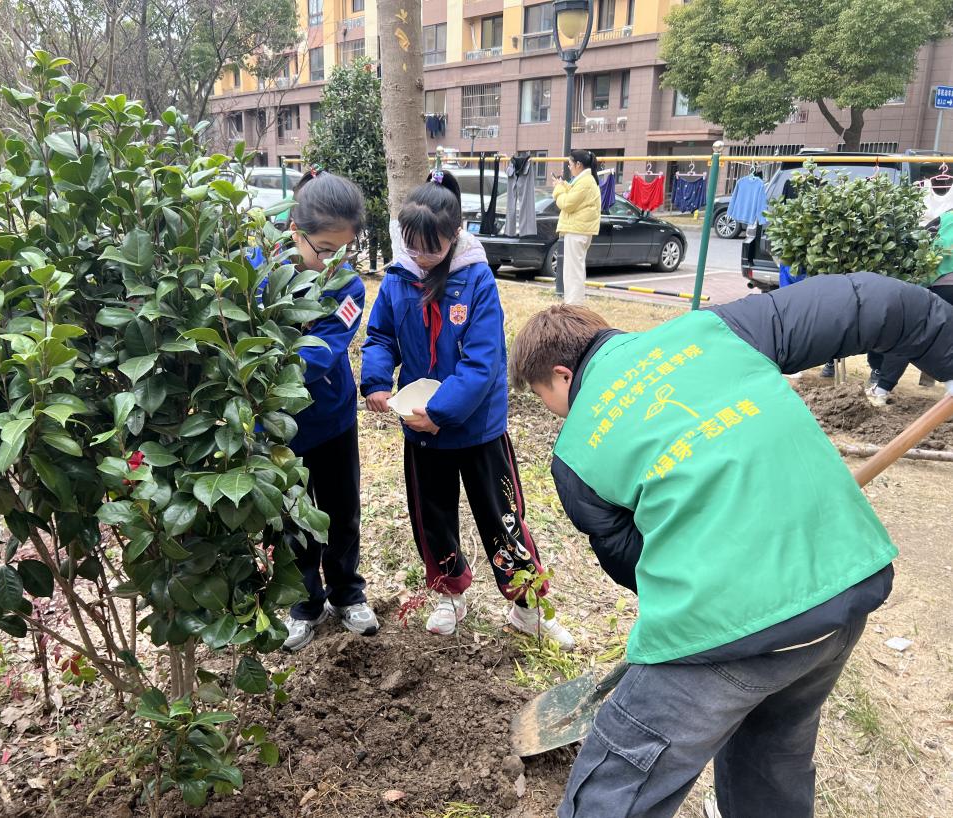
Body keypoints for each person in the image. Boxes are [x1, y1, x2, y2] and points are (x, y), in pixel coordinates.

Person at [508, 273, 953, 818]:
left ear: (561, 375)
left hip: (727, 626)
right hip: (842, 591)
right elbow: (867, 302)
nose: (554, 411)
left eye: (543, 397)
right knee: (772, 759)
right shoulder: (716, 330)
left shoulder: (574, 456)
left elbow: (631, 561)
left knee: (616, 782)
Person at [360, 170, 574, 649]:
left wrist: (441, 412)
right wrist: (375, 382)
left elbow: (483, 362)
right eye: (412, 246)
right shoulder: (398, 278)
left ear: (455, 234)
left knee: (501, 516)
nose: (420, 257)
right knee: (432, 516)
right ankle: (450, 594)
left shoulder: (476, 280)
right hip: (421, 428)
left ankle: (527, 606)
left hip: (477, 427)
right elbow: (380, 335)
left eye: (430, 249)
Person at [254, 169, 379, 652]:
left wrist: (270, 365)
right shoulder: (258, 274)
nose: (334, 263)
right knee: (293, 518)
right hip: (278, 428)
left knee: (341, 511)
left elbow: (324, 351)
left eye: (345, 251)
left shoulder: (347, 287)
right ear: (294, 231)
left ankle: (348, 591)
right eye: (325, 250)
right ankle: (305, 603)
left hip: (331, 419)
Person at [865, 211, 953, 404]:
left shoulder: (946, 218)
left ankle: (881, 389)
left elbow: (920, 243)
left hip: (942, 283)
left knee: (910, 333)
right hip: (943, 285)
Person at [551, 149, 602, 306]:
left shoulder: (585, 182)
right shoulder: (584, 180)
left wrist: (558, 189)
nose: (569, 167)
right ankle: (573, 304)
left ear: (578, 164)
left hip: (577, 231)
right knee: (573, 270)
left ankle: (574, 305)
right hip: (579, 230)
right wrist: (563, 185)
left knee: (573, 272)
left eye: (570, 164)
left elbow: (567, 203)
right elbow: (575, 196)